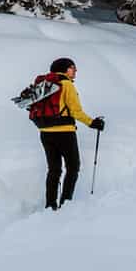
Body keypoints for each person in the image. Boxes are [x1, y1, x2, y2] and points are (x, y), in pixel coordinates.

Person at [31, 56, 104, 210]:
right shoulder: (66, 85)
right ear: (64, 69)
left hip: (45, 132)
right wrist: (93, 123)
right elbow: (76, 111)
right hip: (64, 132)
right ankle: (66, 203)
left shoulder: (45, 85)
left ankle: (50, 205)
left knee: (54, 169)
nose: (75, 70)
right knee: (73, 167)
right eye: (72, 67)